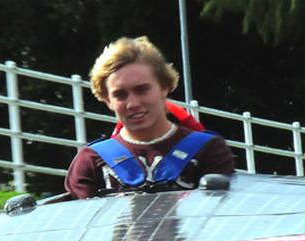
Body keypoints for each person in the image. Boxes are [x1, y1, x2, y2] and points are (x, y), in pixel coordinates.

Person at [65, 36, 235, 199]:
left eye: (142, 90)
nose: (132, 103)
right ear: (107, 100)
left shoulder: (208, 150)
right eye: (120, 95)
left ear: (164, 87)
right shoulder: (90, 161)